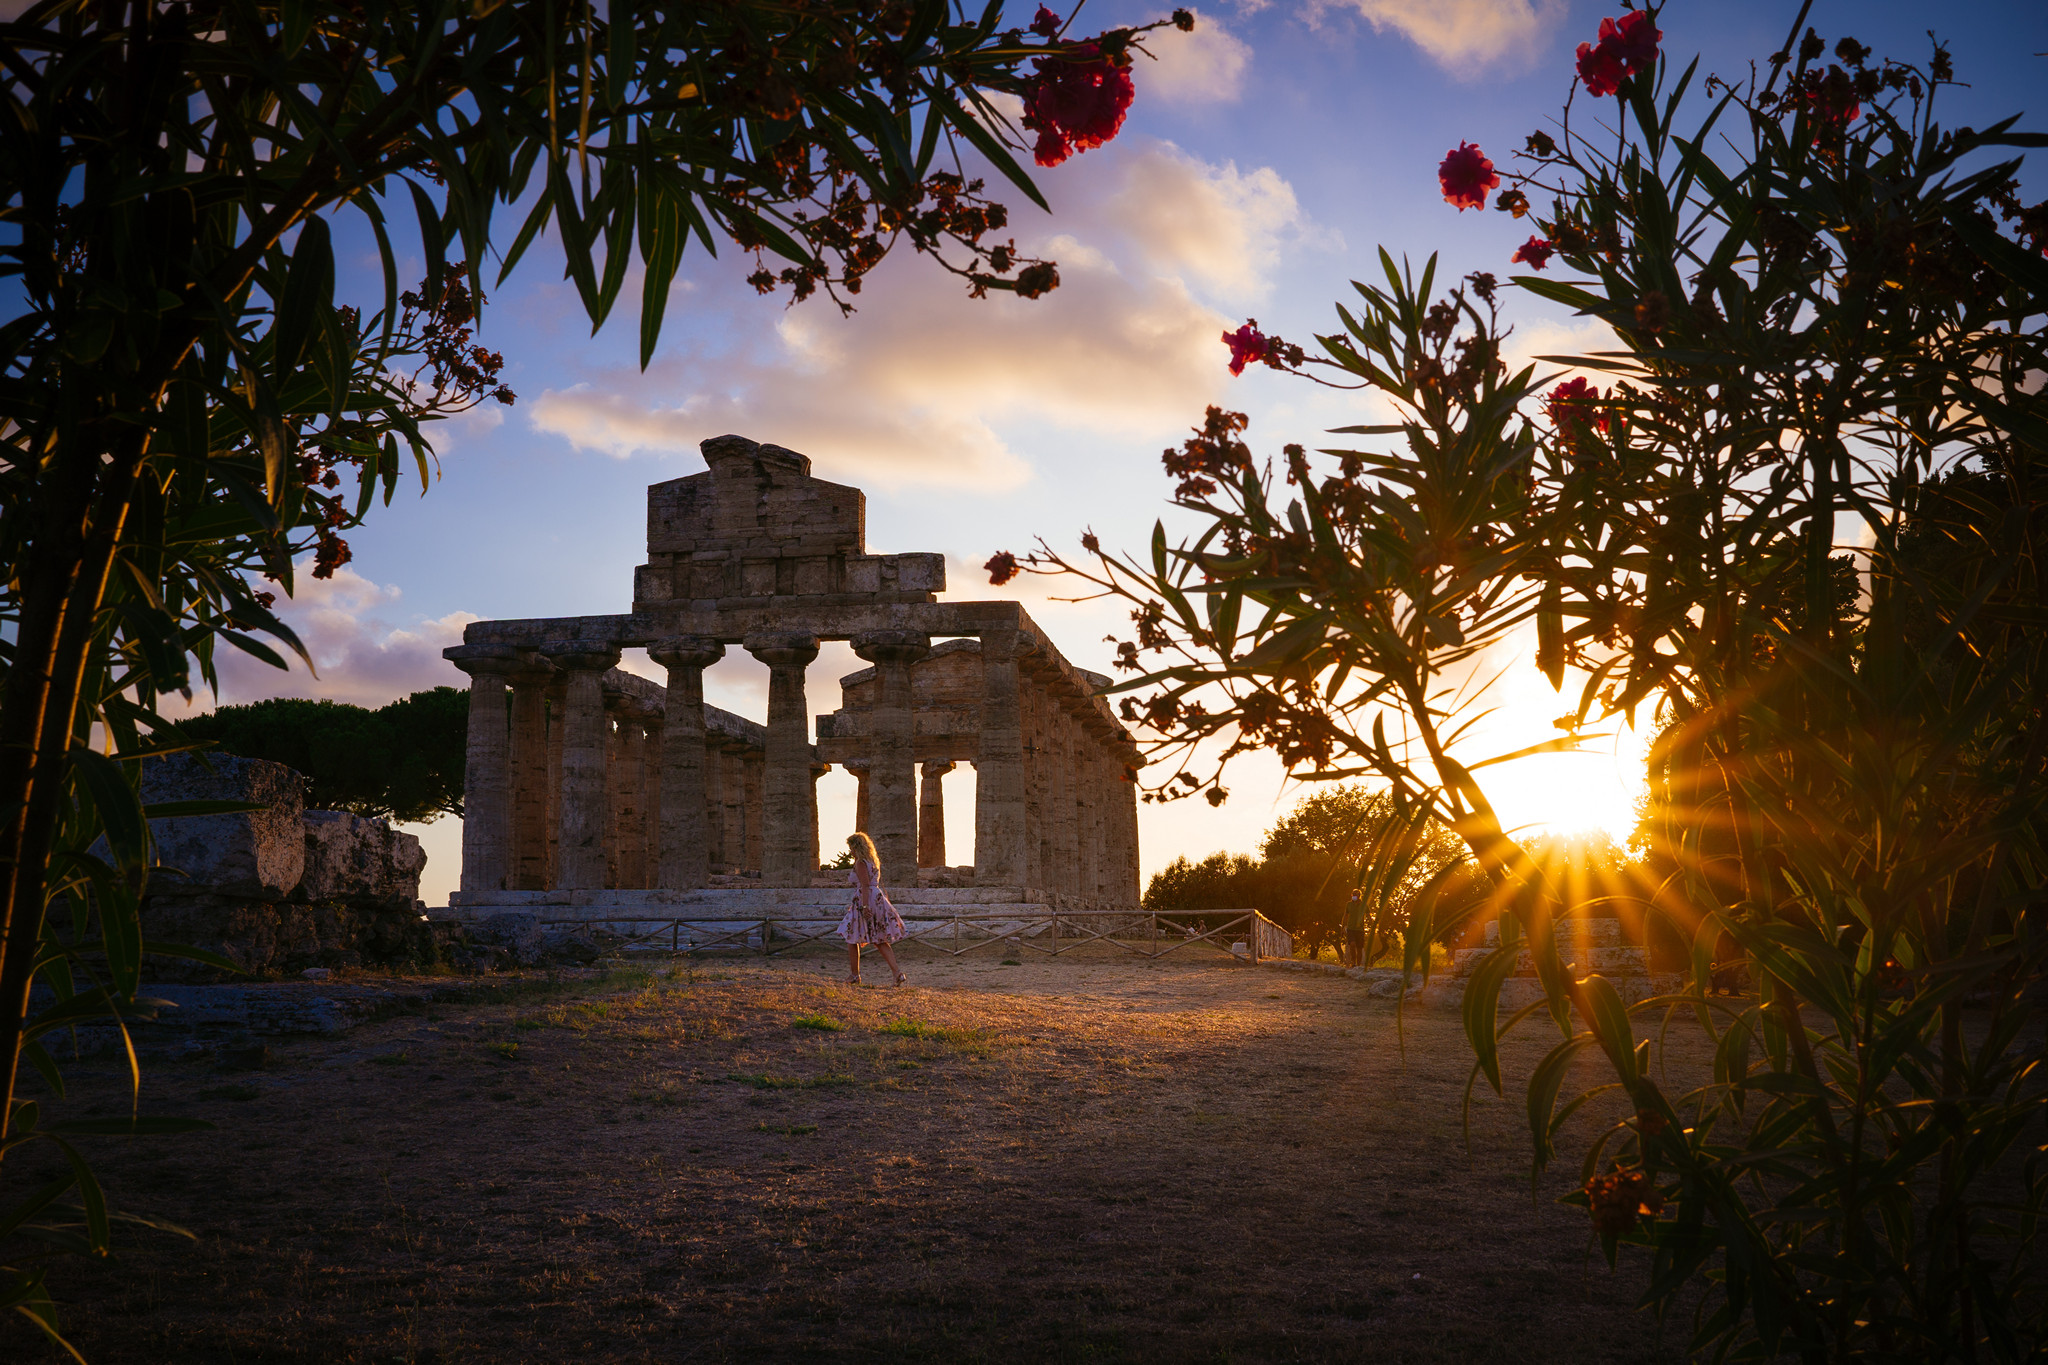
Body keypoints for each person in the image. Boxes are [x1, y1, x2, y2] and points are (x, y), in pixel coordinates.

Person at [839, 831, 908, 986]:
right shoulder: (873, 861)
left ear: (856, 847)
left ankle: (854, 975)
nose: (850, 851)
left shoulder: (860, 863)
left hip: (865, 900)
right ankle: (897, 973)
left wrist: (864, 907)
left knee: (851, 937)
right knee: (879, 939)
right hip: (877, 899)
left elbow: (864, 886)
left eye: (851, 848)